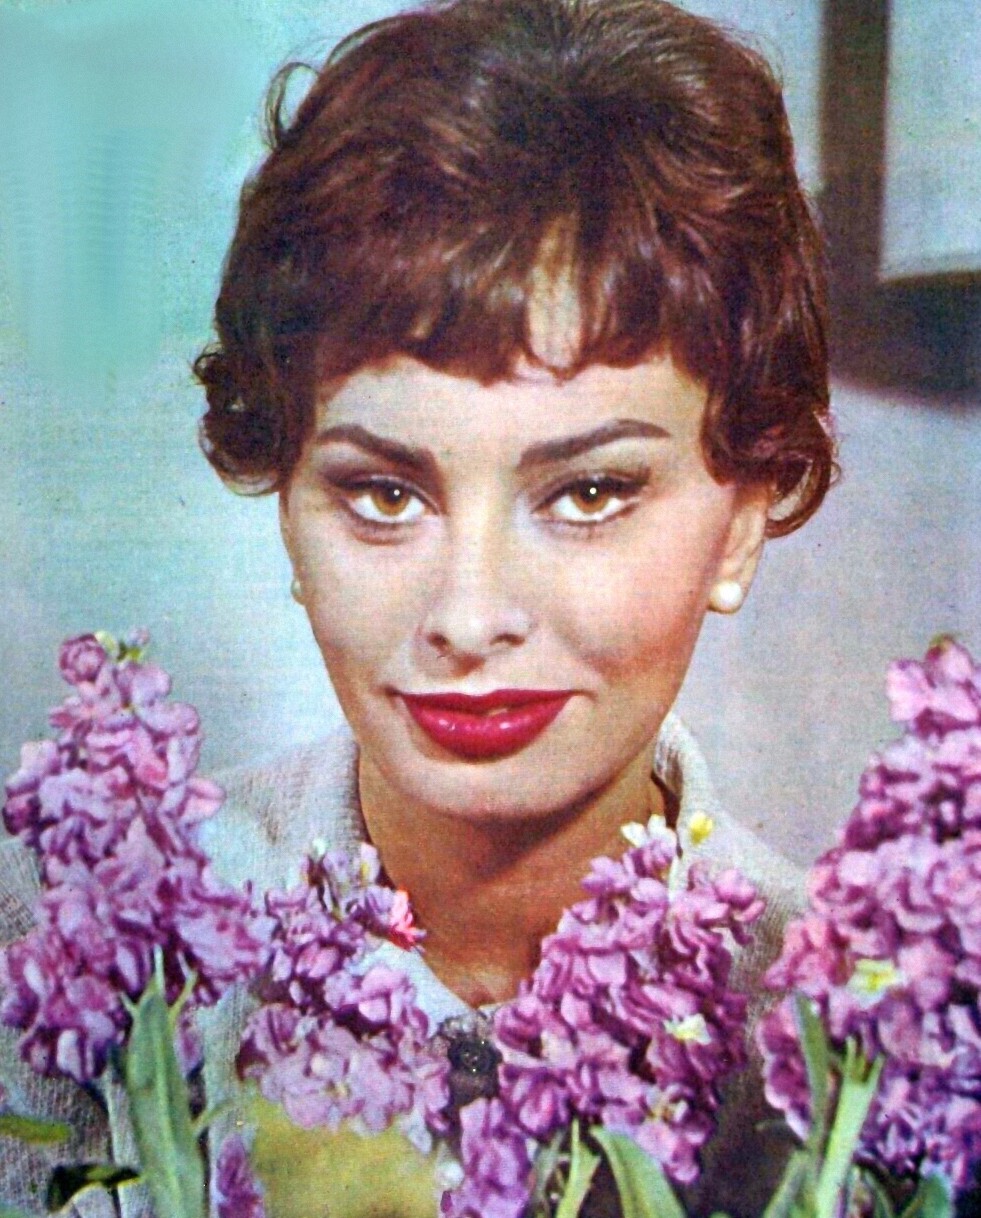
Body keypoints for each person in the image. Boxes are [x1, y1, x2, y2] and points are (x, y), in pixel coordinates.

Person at [0, 1, 834, 1215]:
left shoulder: (866, 1025)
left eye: (589, 492)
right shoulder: (56, 935)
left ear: (744, 521)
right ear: (287, 502)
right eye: (384, 494)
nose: (469, 615)